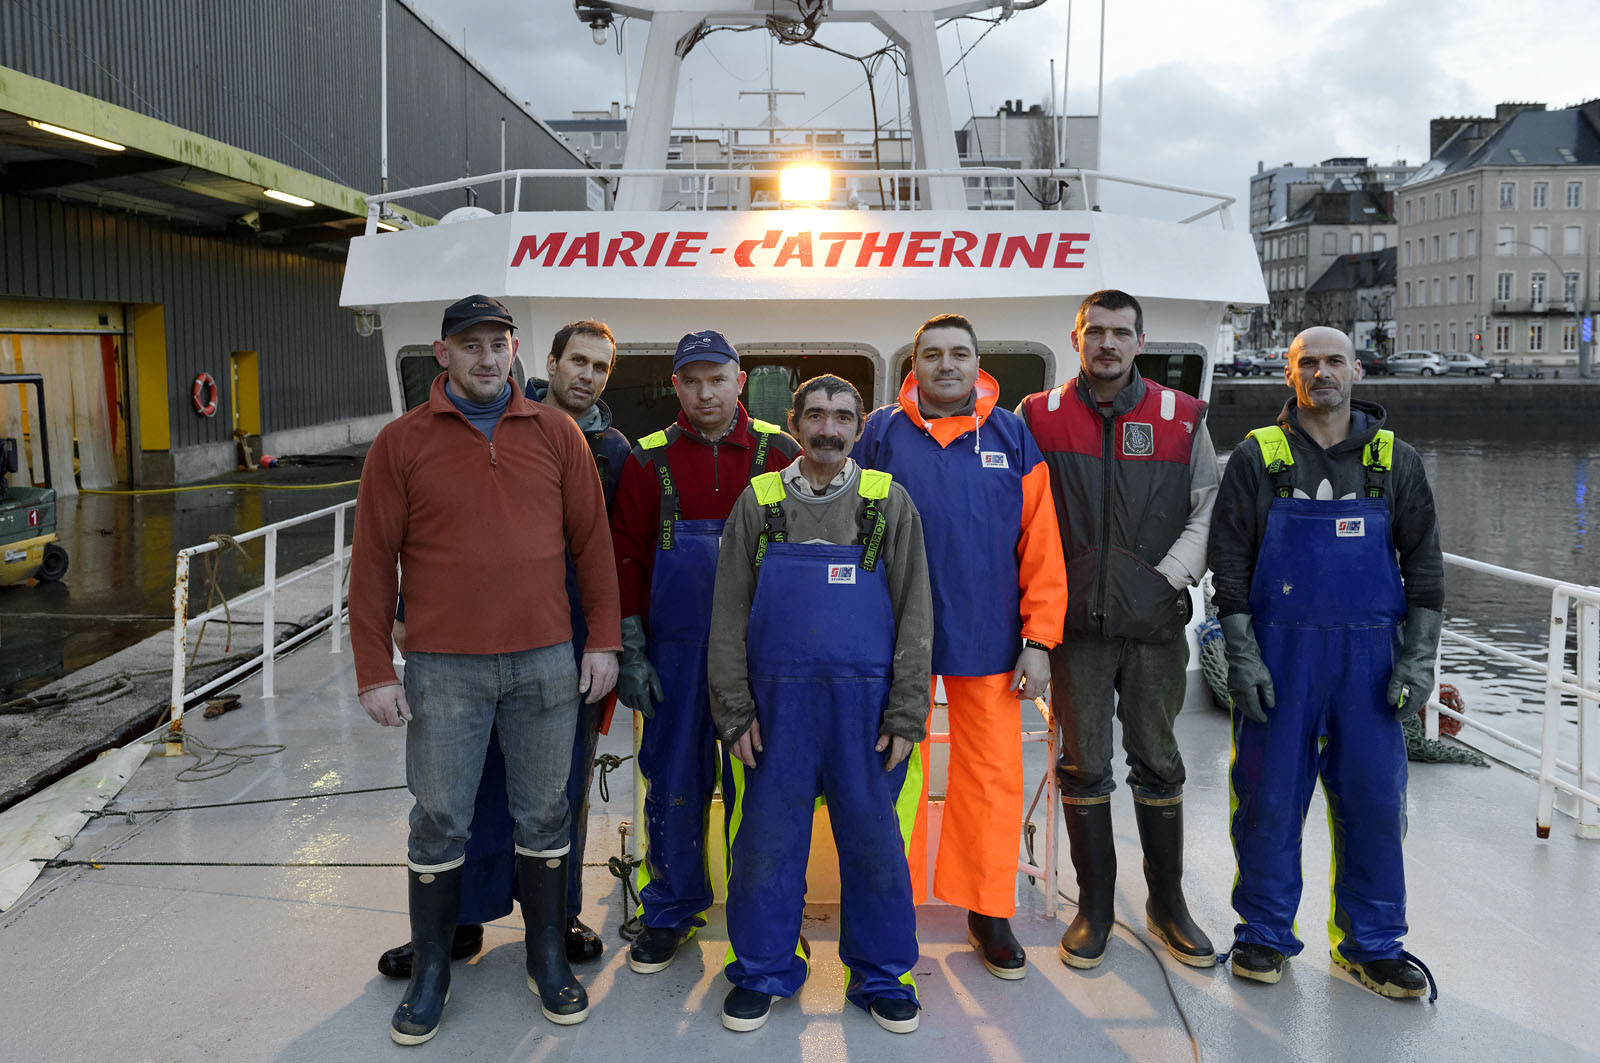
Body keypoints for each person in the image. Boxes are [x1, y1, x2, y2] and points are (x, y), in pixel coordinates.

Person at [349, 295, 621, 1044]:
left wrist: (601, 641)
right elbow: (372, 562)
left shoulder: (556, 434)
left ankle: (546, 957)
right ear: (443, 354)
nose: (487, 357)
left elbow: (591, 544)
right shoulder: (400, 444)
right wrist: (375, 667)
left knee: (545, 809)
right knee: (440, 816)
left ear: (513, 351)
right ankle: (435, 968)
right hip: (443, 668)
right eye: (471, 345)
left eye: (498, 343)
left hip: (545, 661)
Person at [1208, 325, 1444, 998]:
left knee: (1373, 801)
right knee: (1268, 799)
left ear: (1357, 371)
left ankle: (1369, 944)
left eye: (1333, 360)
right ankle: (1263, 933)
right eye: (1306, 362)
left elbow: (1426, 572)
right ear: (1290, 375)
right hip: (1281, 661)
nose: (1321, 372)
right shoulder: (1259, 455)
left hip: (1371, 665)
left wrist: (1417, 663)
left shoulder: (1396, 460)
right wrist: (1244, 656)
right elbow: (1228, 567)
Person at [707, 375, 932, 1034]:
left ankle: (884, 973)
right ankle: (761, 967)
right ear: (794, 423)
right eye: (815, 415)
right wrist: (733, 708)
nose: (828, 427)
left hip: (867, 715)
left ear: (860, 426)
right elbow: (728, 614)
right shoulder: (761, 500)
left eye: (841, 416)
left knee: (875, 846)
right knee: (766, 844)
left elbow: (917, 611)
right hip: (775, 714)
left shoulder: (888, 501)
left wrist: (907, 709)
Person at [852, 314, 1066, 980]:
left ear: (979, 363)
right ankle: (896, 898)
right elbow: (846, 527)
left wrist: (1038, 638)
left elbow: (1041, 546)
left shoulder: (1013, 436)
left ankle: (987, 907)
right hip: (892, 635)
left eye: (960, 353)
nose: (947, 364)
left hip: (989, 633)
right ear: (913, 364)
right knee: (893, 766)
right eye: (933, 354)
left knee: (992, 774)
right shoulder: (879, 434)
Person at [1017, 289, 1219, 971]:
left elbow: (1208, 508)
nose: (1107, 343)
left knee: (1160, 760)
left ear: (1140, 341)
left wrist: (1168, 577)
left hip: (1156, 624)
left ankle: (1168, 905)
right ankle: (1094, 908)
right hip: (1074, 628)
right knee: (1083, 763)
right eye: (1095, 331)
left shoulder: (1182, 416)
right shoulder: (1038, 416)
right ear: (1075, 337)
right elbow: (1018, 513)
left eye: (1120, 333)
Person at [609, 329, 801, 973]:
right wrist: (631, 649)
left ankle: (768, 919)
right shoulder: (647, 459)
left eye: (716, 378)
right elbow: (627, 560)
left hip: (762, 660)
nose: (704, 392)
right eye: (691, 381)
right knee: (675, 785)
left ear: (739, 380)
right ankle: (671, 908)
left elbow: (805, 557)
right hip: (675, 657)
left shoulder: (781, 452)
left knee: (766, 788)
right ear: (676, 387)